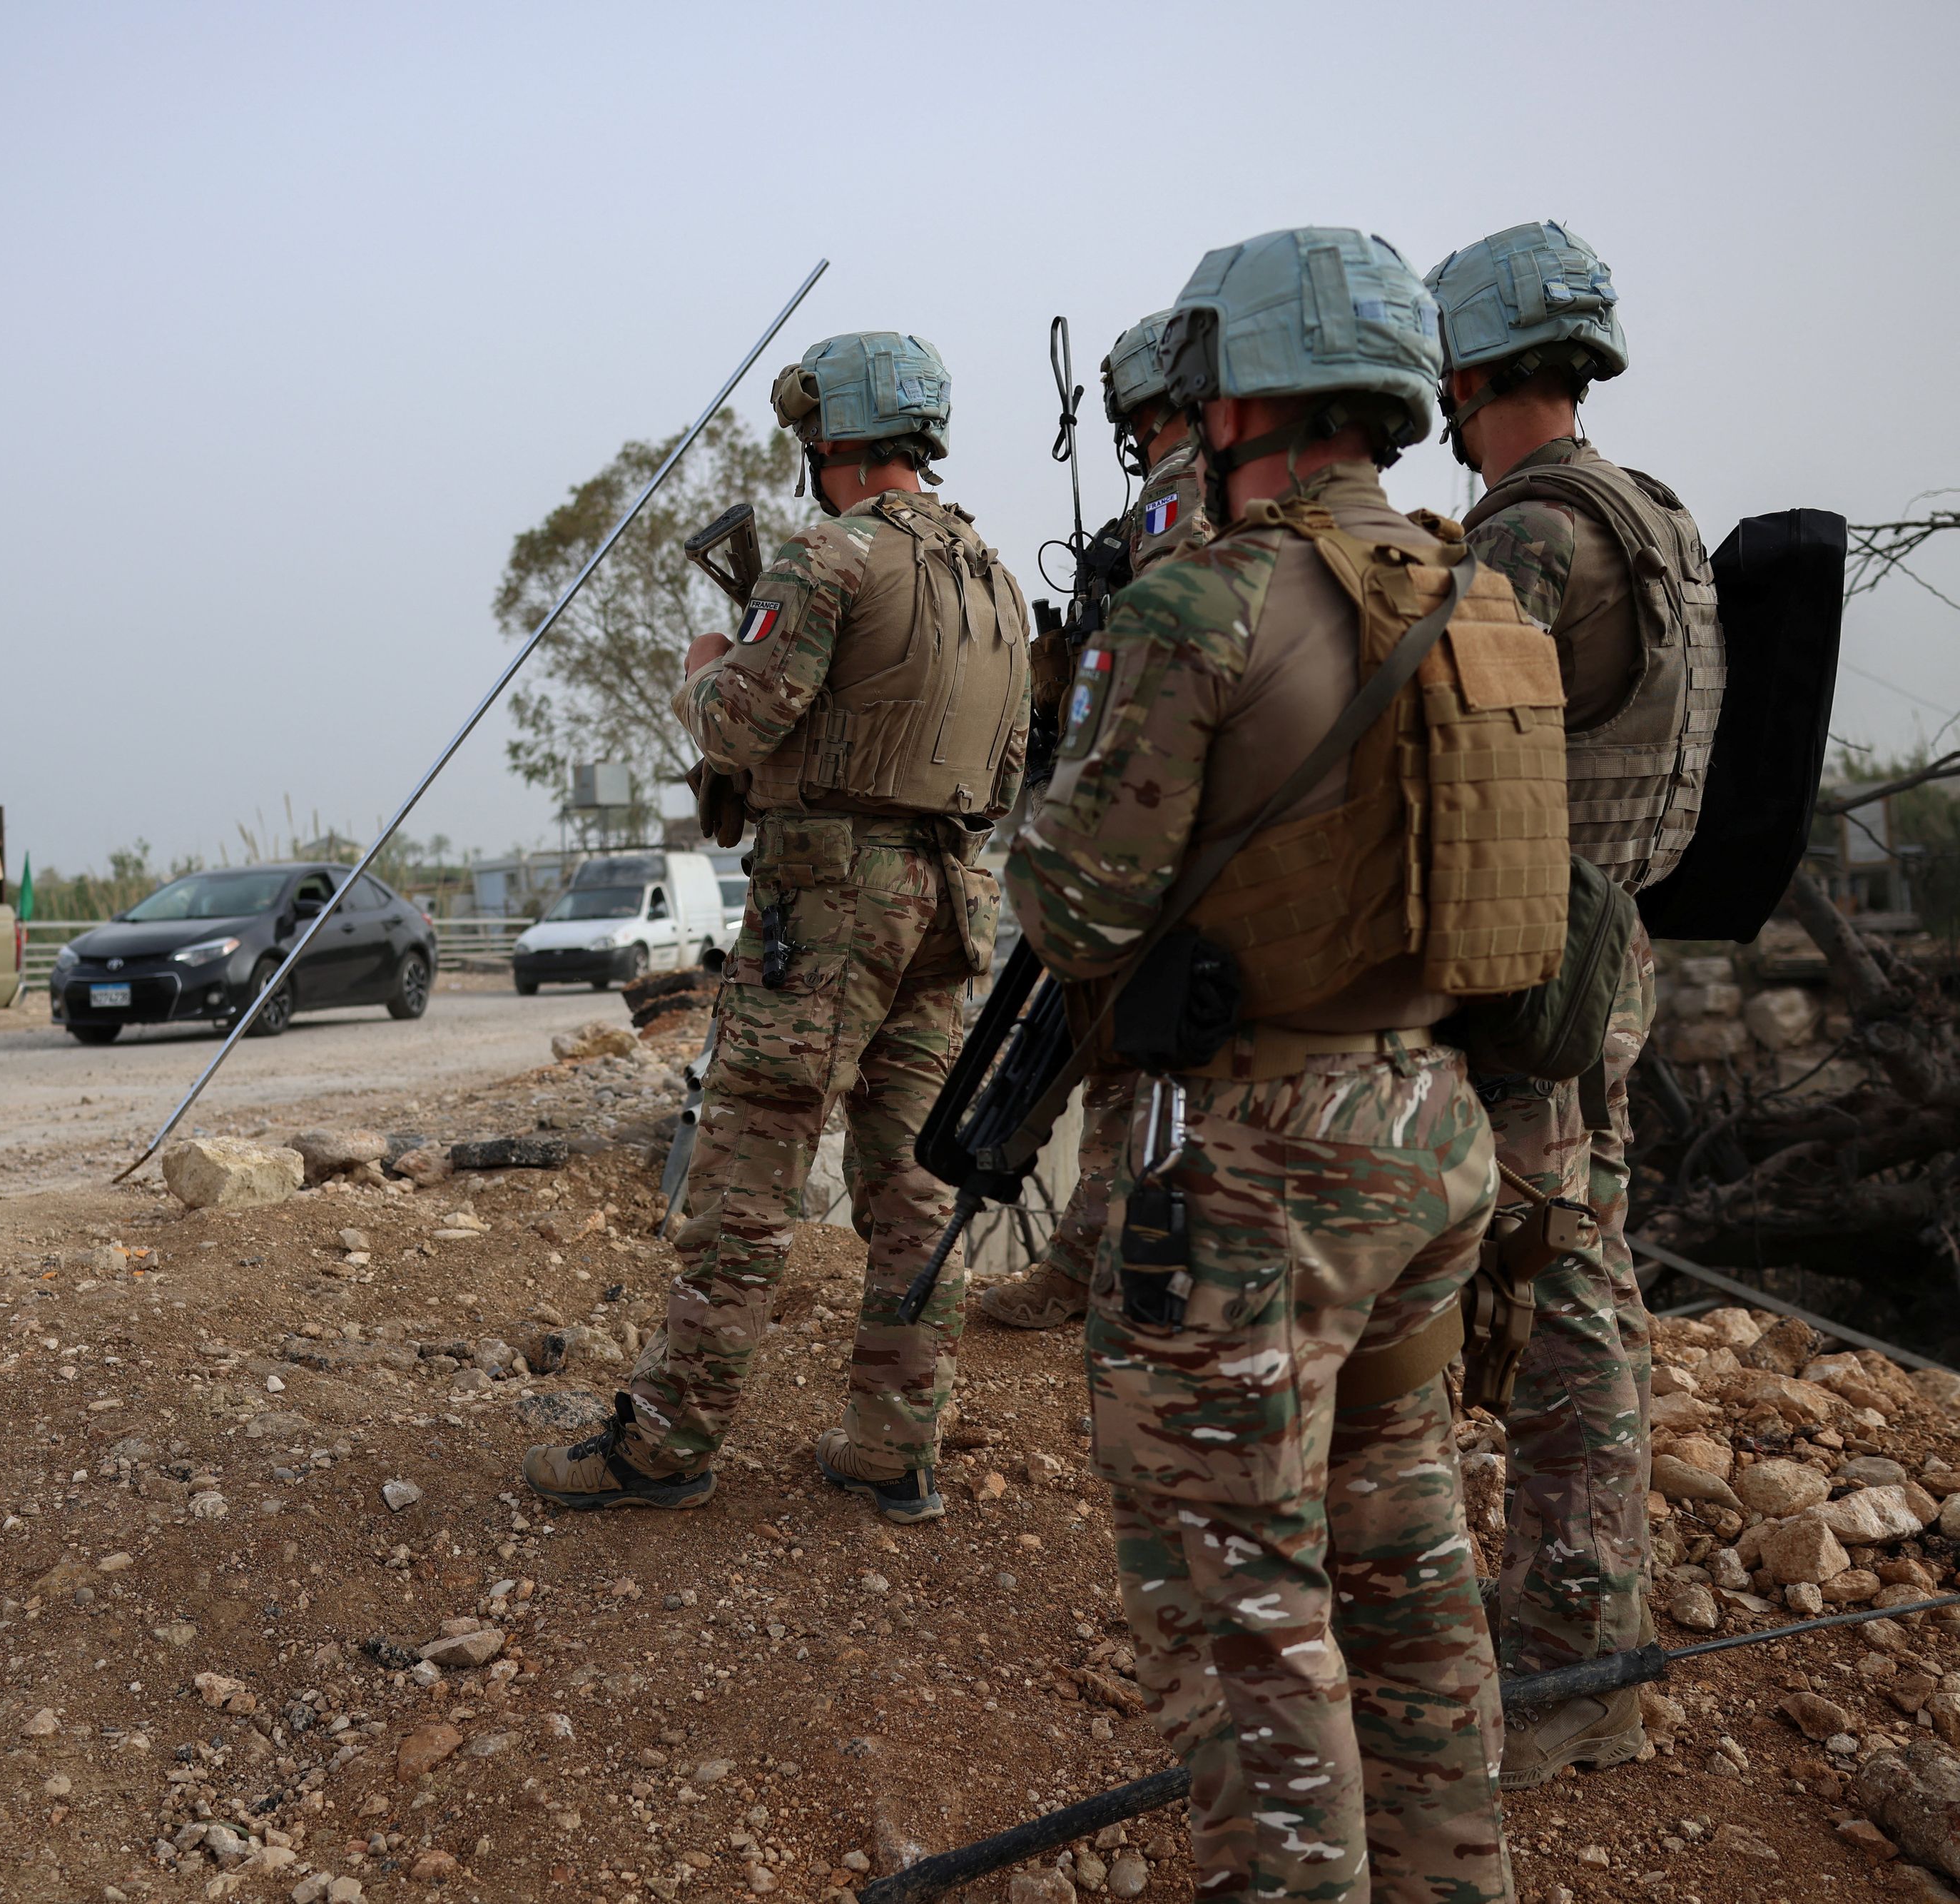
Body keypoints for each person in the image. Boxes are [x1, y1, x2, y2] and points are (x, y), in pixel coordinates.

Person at [1009, 227, 1560, 1903]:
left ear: (1240, 392)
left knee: (1243, 1609)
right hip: (1431, 1138)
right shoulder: (1483, 592)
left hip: (1259, 1165)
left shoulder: (1205, 598)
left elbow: (1072, 904)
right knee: (1405, 1566)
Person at [523, 330, 1027, 1524]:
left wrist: (701, 668)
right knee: (910, 1187)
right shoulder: (994, 578)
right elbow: (1006, 772)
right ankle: (895, 1445)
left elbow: (741, 723)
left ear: (828, 438)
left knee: (747, 1180)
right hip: (947, 905)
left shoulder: (827, 556)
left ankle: (666, 1443)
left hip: (827, 911)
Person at [1427, 219, 1722, 1786]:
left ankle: (1572, 1663)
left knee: (1555, 1303)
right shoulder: (1649, 512)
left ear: (1461, 370)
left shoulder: (1530, 537)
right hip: (1607, 943)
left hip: (1535, 955)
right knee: (1578, 1273)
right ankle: (1568, 1606)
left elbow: (1444, 752)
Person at [980, 310, 1211, 1333]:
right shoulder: (1245, 492)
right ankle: (1087, 1264)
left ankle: (1097, 1277)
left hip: (1162, 829)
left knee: (1129, 1058)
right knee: (1124, 1063)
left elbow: (1163, 672)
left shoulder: (1182, 499)